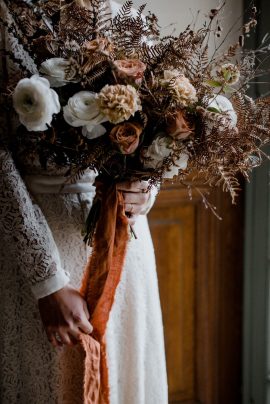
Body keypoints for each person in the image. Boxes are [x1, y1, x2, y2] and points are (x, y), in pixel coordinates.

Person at [0, 1, 168, 403]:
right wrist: (46, 280)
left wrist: (146, 185)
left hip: (123, 237)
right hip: (40, 240)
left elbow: (156, 119)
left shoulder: (123, 10)